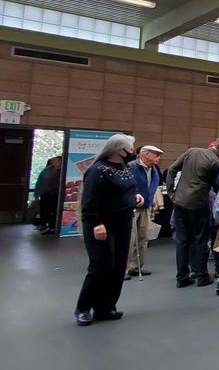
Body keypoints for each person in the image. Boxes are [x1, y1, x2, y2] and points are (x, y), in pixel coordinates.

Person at [74, 134, 144, 326]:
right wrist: (97, 223)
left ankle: (106, 307)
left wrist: (136, 196)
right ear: (119, 150)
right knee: (100, 265)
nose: (132, 152)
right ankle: (83, 308)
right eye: (130, 148)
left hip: (123, 222)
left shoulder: (125, 168)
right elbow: (89, 200)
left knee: (118, 265)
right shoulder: (98, 170)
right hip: (102, 224)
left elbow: (130, 188)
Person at [166, 137, 219, 288]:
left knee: (182, 240)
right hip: (198, 202)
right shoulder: (216, 163)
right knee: (201, 239)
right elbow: (217, 184)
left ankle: (181, 277)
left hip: (179, 201)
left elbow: (172, 169)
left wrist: (171, 192)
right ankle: (202, 275)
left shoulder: (192, 151)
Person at [126, 145, 162, 278]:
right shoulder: (132, 167)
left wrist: (150, 198)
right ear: (145, 154)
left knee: (143, 237)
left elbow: (154, 185)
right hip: (132, 207)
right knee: (130, 238)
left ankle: (136, 266)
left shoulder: (153, 169)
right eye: (156, 155)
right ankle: (122, 268)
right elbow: (127, 185)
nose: (158, 158)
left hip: (145, 206)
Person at [34, 156, 62, 234]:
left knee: (51, 211)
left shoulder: (49, 171)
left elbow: (41, 183)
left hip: (51, 194)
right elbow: (44, 183)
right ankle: (49, 226)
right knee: (48, 211)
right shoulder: (50, 171)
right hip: (49, 194)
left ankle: (50, 226)